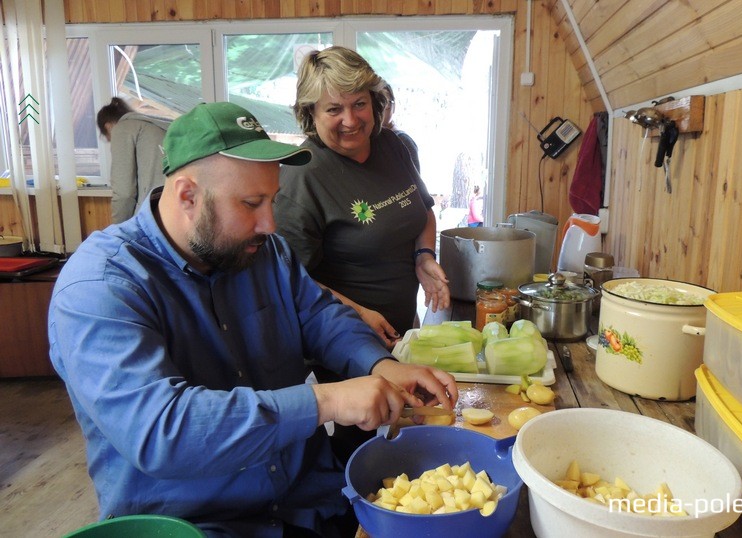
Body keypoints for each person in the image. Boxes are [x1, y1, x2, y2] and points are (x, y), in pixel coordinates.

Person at [49, 101, 458, 538]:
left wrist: (381, 366)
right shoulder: (100, 286)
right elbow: (162, 431)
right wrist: (327, 402)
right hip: (201, 523)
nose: (269, 223)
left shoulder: (265, 253)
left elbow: (319, 316)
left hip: (311, 502)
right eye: (251, 203)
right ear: (187, 195)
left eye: (273, 200)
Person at [274, 46, 450, 349]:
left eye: (359, 104)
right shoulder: (303, 174)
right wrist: (357, 314)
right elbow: (287, 277)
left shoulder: (391, 145)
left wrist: (423, 257)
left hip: (401, 331)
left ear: (375, 102)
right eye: (333, 109)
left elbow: (423, 210)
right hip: (344, 339)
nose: (351, 120)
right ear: (310, 113)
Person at [96, 97, 171, 223]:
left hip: (154, 215)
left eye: (109, 138)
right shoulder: (155, 127)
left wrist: (118, 230)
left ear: (108, 126)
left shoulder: (122, 129)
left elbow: (124, 193)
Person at [381, 83, 421, 172]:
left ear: (393, 106)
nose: (380, 110)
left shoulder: (403, 141)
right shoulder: (372, 140)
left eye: (385, 103)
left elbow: (415, 184)